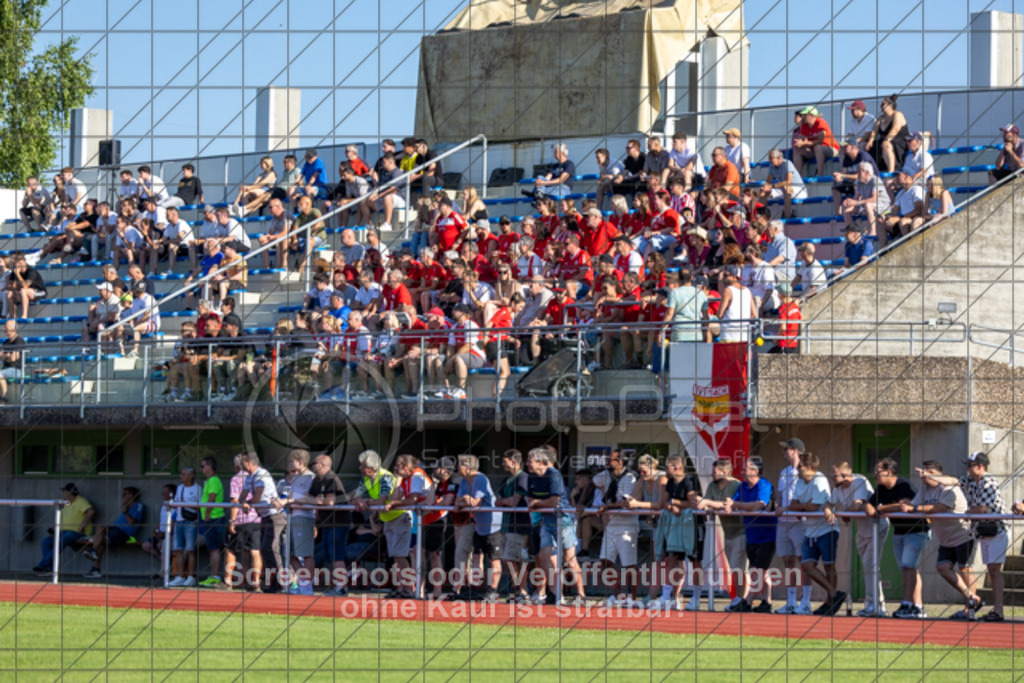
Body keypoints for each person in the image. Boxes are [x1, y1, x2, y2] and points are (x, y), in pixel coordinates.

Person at [903, 461, 981, 620]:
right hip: (945, 538)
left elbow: (938, 508)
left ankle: (970, 608)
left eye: (928, 472)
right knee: (942, 567)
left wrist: (915, 509)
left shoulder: (949, 488)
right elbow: (914, 505)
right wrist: (905, 505)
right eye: (922, 472)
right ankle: (972, 598)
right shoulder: (924, 489)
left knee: (965, 568)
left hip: (963, 535)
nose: (923, 476)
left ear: (938, 474)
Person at [865, 457, 929, 619]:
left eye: (877, 471)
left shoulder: (904, 485)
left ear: (888, 472)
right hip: (899, 531)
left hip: (916, 531)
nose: (875, 475)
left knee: (909, 566)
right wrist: (874, 508)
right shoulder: (880, 489)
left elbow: (904, 505)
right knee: (909, 568)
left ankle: (907, 604)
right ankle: (918, 607)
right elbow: (869, 504)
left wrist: (881, 509)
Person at [526, 446, 585, 605]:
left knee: (569, 558)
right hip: (547, 520)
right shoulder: (532, 477)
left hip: (563, 520)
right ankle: (555, 593)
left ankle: (581, 594)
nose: (527, 464)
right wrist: (537, 505)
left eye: (530, 461)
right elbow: (529, 500)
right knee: (545, 556)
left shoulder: (553, 475)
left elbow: (554, 501)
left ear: (540, 462)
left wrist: (537, 503)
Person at [352, 450, 414, 599]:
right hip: (387, 519)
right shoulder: (365, 479)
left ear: (370, 468)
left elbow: (382, 500)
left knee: (400, 555)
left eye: (362, 465)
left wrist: (366, 502)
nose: (359, 468)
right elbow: (354, 498)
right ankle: (400, 587)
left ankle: (410, 588)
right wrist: (360, 501)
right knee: (394, 555)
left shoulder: (385, 477)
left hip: (399, 517)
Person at [790, 452, 844, 615]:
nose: (797, 469)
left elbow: (814, 507)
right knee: (807, 565)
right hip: (810, 530)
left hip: (827, 529)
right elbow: (793, 504)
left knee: (829, 566)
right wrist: (802, 506)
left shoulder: (819, 480)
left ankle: (829, 602)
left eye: (799, 466)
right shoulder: (799, 481)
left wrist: (802, 506)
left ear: (808, 467)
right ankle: (835, 594)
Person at [829, 461, 886, 617]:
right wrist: (829, 511)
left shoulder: (859, 481)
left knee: (871, 565)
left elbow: (856, 506)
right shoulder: (838, 488)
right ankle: (874, 604)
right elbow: (829, 502)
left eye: (834, 475)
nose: (832, 478)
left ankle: (876, 606)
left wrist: (845, 514)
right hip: (862, 530)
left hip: (876, 526)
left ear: (845, 475)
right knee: (867, 567)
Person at [726, 457, 776, 612]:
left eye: (746, 467)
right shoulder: (742, 487)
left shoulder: (764, 485)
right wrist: (733, 505)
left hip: (767, 535)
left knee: (758, 571)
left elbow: (759, 505)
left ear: (756, 471)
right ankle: (766, 603)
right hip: (751, 534)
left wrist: (737, 505)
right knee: (761, 572)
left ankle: (747, 601)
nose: (742, 470)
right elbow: (732, 505)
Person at [697, 458, 746, 611]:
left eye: (715, 471)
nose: (712, 474)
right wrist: (707, 505)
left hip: (741, 531)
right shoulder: (712, 485)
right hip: (727, 532)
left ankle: (741, 599)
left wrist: (709, 504)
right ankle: (738, 599)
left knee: (738, 568)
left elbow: (726, 505)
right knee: (733, 567)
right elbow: (705, 503)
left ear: (724, 472)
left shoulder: (735, 485)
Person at [453, 454, 503, 601]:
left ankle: (493, 590)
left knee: (493, 558)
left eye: (460, 465)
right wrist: (465, 500)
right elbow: (458, 501)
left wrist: (467, 500)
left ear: (468, 468)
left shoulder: (480, 479)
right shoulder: (463, 480)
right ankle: (474, 588)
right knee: (476, 556)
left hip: (491, 525)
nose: (457, 468)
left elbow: (474, 502)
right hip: (478, 524)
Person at [593, 450, 640, 607]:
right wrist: (581, 503)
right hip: (612, 524)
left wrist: (607, 506)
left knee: (629, 565)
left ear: (620, 462)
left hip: (627, 525)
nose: (608, 461)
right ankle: (618, 593)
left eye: (611, 459)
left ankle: (632, 597)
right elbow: (590, 483)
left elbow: (624, 502)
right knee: (604, 561)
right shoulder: (606, 474)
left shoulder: (630, 478)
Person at [304, 453, 350, 596]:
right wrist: (316, 502)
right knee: (330, 556)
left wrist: (318, 501)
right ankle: (336, 585)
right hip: (326, 523)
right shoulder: (318, 479)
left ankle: (341, 588)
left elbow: (329, 502)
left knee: (337, 556)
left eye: (315, 463)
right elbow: (309, 497)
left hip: (338, 523)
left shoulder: (331, 478)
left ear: (323, 465)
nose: (312, 466)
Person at [775, 438, 812, 615]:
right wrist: (776, 506)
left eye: (787, 449)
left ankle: (805, 601)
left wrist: (787, 508)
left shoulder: (806, 472)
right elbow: (781, 495)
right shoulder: (784, 472)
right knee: (787, 561)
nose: (783, 452)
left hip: (800, 523)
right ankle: (791, 600)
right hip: (784, 523)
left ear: (795, 451)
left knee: (804, 561)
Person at [239, 451, 285, 593]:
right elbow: (242, 496)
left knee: (270, 548)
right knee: (266, 550)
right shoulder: (249, 477)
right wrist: (244, 502)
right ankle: (274, 582)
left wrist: (248, 503)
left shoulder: (261, 474)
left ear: (249, 462)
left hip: (275, 516)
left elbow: (257, 497)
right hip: (265, 516)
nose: (240, 465)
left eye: (242, 462)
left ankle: (280, 582)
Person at [276, 449, 317, 595]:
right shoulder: (295, 478)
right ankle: (303, 581)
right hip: (292, 517)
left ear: (301, 462)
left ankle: (307, 586)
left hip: (304, 517)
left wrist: (290, 501)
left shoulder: (311, 478)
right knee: (290, 553)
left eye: (291, 461)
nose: (289, 465)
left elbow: (311, 500)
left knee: (305, 553)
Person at [495, 449, 532, 604]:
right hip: (506, 526)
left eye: (506, 461)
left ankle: (523, 592)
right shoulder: (505, 479)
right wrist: (504, 501)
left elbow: (514, 502)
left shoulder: (522, 478)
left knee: (513, 559)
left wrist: (504, 501)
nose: (503, 464)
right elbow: (497, 501)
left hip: (519, 525)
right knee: (510, 560)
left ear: (514, 461)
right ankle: (519, 591)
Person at [33, 483, 95, 575]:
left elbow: (91, 511)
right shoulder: (65, 503)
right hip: (62, 531)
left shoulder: (80, 501)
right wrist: (54, 530)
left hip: (76, 532)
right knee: (45, 541)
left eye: (64, 491)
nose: (62, 493)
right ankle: (50, 568)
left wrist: (83, 524)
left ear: (70, 492)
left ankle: (42, 565)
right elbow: (60, 518)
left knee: (61, 540)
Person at [82, 487, 143, 579]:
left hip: (124, 533)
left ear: (131, 495)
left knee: (100, 541)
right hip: (114, 528)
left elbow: (131, 522)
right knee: (100, 527)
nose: (122, 496)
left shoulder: (138, 506)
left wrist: (126, 512)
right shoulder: (125, 506)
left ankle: (95, 567)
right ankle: (94, 556)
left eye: (125, 494)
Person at [224, 454, 262, 592]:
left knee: (231, 550)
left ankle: (229, 580)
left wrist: (232, 521)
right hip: (257, 518)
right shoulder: (257, 477)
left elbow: (234, 501)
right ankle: (255, 581)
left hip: (241, 519)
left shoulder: (236, 479)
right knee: (254, 551)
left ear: (236, 465)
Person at [168, 467, 202, 587]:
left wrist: (187, 504)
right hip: (179, 521)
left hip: (190, 522)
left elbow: (200, 506)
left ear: (190, 476)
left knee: (190, 550)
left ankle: (191, 576)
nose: (181, 476)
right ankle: (180, 575)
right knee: (178, 549)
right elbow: (176, 503)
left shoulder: (197, 488)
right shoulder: (180, 488)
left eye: (183, 474)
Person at [197, 457, 226, 588]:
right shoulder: (210, 480)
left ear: (209, 467)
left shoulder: (213, 480)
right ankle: (213, 575)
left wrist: (207, 514)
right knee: (212, 548)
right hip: (211, 518)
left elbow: (212, 497)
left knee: (214, 548)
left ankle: (215, 576)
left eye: (202, 466)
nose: (201, 469)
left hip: (214, 518)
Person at [867, 94, 909, 173]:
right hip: (884, 141)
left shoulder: (897, 115)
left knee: (886, 145)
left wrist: (887, 139)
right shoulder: (881, 118)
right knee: (868, 146)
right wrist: (870, 141)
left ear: (890, 105)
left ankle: (891, 171)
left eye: (883, 104)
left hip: (898, 142)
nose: (881, 106)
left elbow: (895, 129)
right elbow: (874, 131)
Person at [792, 106, 838, 178]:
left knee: (818, 148)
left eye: (805, 115)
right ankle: (798, 177)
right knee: (797, 149)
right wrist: (800, 142)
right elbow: (803, 138)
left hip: (830, 148)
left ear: (811, 116)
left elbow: (820, 141)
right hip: (815, 150)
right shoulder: (804, 125)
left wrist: (804, 143)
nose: (803, 117)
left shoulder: (821, 122)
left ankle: (819, 174)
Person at [760, 148, 806, 219]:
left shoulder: (787, 164)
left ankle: (787, 215)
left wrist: (772, 186)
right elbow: (768, 182)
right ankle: (762, 215)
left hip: (799, 190)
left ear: (778, 158)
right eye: (769, 158)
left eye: (771, 158)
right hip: (784, 190)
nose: (770, 160)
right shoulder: (772, 166)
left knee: (786, 187)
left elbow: (788, 182)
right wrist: (765, 187)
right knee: (763, 190)